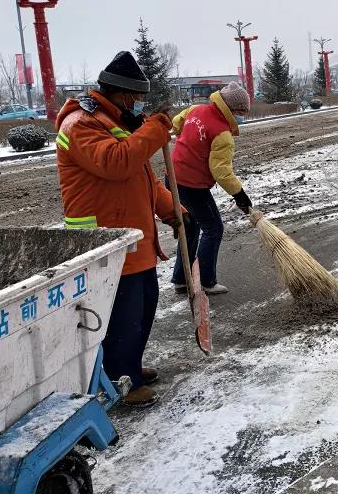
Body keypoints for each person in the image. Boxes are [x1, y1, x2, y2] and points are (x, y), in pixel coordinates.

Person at [55, 51, 181, 408]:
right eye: (137, 98)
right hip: (104, 239)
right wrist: (154, 130)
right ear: (122, 95)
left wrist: (173, 211)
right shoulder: (80, 124)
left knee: (143, 307)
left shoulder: (115, 124)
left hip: (133, 235)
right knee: (122, 315)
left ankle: (131, 368)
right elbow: (117, 163)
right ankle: (120, 379)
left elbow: (144, 178)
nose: (140, 104)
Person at [170, 81, 253, 295]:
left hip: (173, 176)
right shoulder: (222, 133)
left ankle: (181, 279)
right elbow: (221, 170)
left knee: (190, 228)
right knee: (213, 228)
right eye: (241, 112)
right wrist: (239, 194)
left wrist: (187, 140)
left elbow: (176, 122)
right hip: (192, 185)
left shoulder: (196, 109)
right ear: (231, 108)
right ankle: (206, 281)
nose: (242, 117)